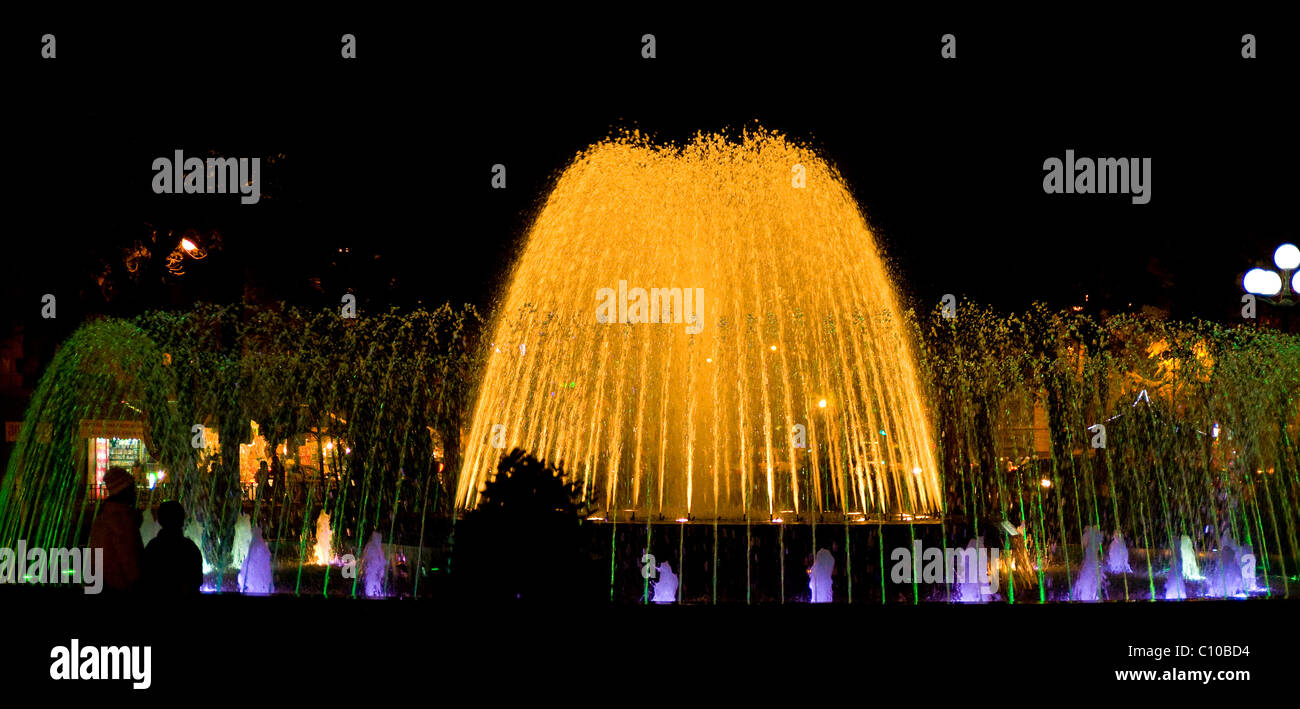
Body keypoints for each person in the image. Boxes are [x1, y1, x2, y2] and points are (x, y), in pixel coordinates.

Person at [87, 467, 144, 593]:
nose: (135, 493)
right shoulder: (122, 519)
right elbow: (131, 563)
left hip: (102, 585)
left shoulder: (104, 516)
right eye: (132, 488)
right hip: (118, 589)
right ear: (124, 491)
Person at [142, 501, 203, 594]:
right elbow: (198, 581)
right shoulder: (190, 548)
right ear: (182, 521)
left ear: (159, 520)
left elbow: (145, 580)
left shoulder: (153, 548)